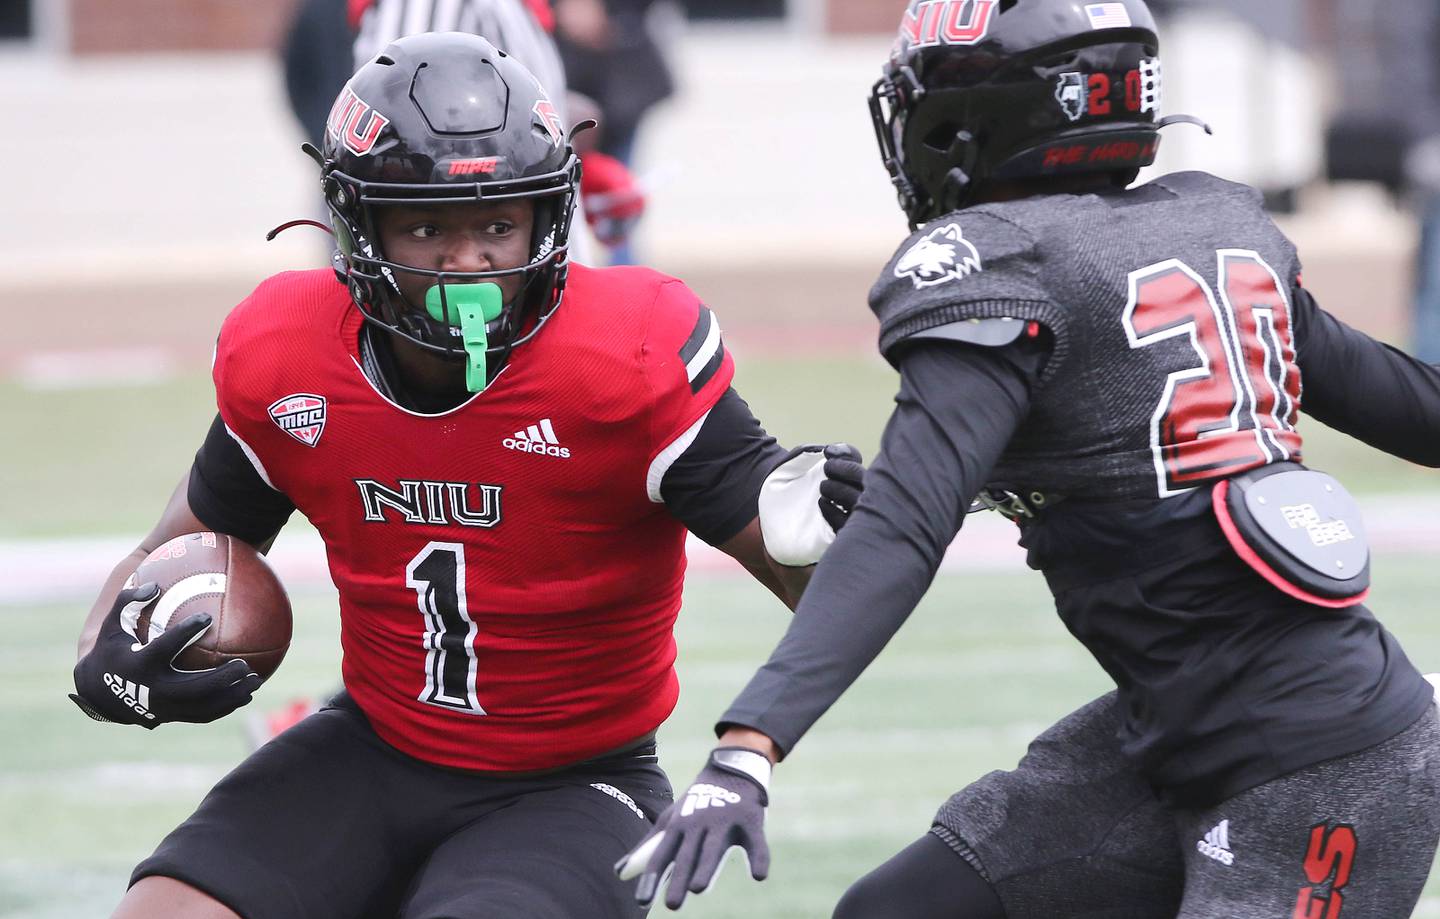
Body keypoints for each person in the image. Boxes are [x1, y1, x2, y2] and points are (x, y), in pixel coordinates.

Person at [616, 1, 1440, 916]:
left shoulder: (1000, 262)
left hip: (1318, 766)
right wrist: (951, 477)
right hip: (1179, 726)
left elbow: (904, 529)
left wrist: (747, 748)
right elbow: (1413, 412)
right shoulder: (1215, 228)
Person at [68, 32, 864, 919]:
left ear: (544, 215)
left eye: (496, 223)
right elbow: (176, 551)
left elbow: (829, 588)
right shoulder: (288, 355)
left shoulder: (623, 358)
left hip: (574, 785)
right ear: (358, 225)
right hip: (374, 746)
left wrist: (828, 541)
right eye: (426, 227)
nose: (469, 261)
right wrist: (110, 653)